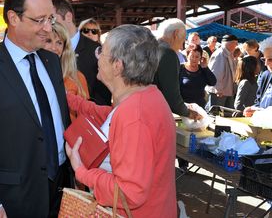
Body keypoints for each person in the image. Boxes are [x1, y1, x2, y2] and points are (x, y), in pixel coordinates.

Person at [0, 0, 72, 217]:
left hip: (61, 189)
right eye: (39, 20)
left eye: (50, 19)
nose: (48, 29)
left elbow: (57, 121)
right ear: (13, 18)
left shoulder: (51, 62)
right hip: (14, 196)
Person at [66, 25, 176, 217]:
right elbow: (108, 114)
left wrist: (81, 171)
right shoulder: (146, 96)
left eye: (101, 51)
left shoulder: (133, 115)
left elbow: (129, 193)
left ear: (117, 66)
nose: (97, 56)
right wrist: (69, 99)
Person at [53, 0, 111, 106]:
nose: (49, 23)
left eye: (52, 18)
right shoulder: (46, 49)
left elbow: (103, 96)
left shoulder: (97, 51)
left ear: (68, 17)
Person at [153, 18, 201, 120]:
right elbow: (172, 96)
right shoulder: (168, 53)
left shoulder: (149, 47)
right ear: (176, 34)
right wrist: (188, 113)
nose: (181, 46)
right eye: (182, 40)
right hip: (153, 112)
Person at [44, 22, 89, 120]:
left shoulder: (77, 77)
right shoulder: (31, 74)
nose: (54, 48)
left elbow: (86, 115)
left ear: (64, 48)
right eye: (48, 41)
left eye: (59, 43)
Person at [205, 34, 239, 114]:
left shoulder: (228, 54)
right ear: (229, 43)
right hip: (219, 92)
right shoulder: (219, 54)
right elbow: (214, 73)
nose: (236, 46)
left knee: (226, 115)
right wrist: (217, 89)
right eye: (235, 43)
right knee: (215, 115)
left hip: (226, 90)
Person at [179, 44, 216, 108]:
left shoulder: (203, 69)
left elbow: (213, 82)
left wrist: (205, 68)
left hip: (200, 107)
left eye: (197, 57)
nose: (194, 59)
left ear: (200, 58)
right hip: (184, 106)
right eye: (192, 56)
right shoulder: (180, 68)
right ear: (187, 56)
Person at [244, 37, 272, 117]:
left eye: (270, 59)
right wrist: (253, 109)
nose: (266, 64)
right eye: (264, 59)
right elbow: (259, 101)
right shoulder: (266, 75)